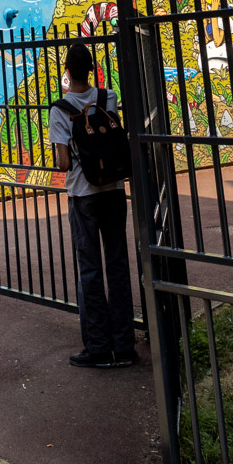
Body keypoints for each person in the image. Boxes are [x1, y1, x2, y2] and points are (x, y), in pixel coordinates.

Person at [50, 41, 138, 369]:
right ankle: (124, 346)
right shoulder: (107, 97)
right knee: (117, 265)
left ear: (67, 71)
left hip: (83, 194)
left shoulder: (60, 109)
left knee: (90, 269)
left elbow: (62, 163)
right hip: (113, 189)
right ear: (91, 69)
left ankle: (98, 347)